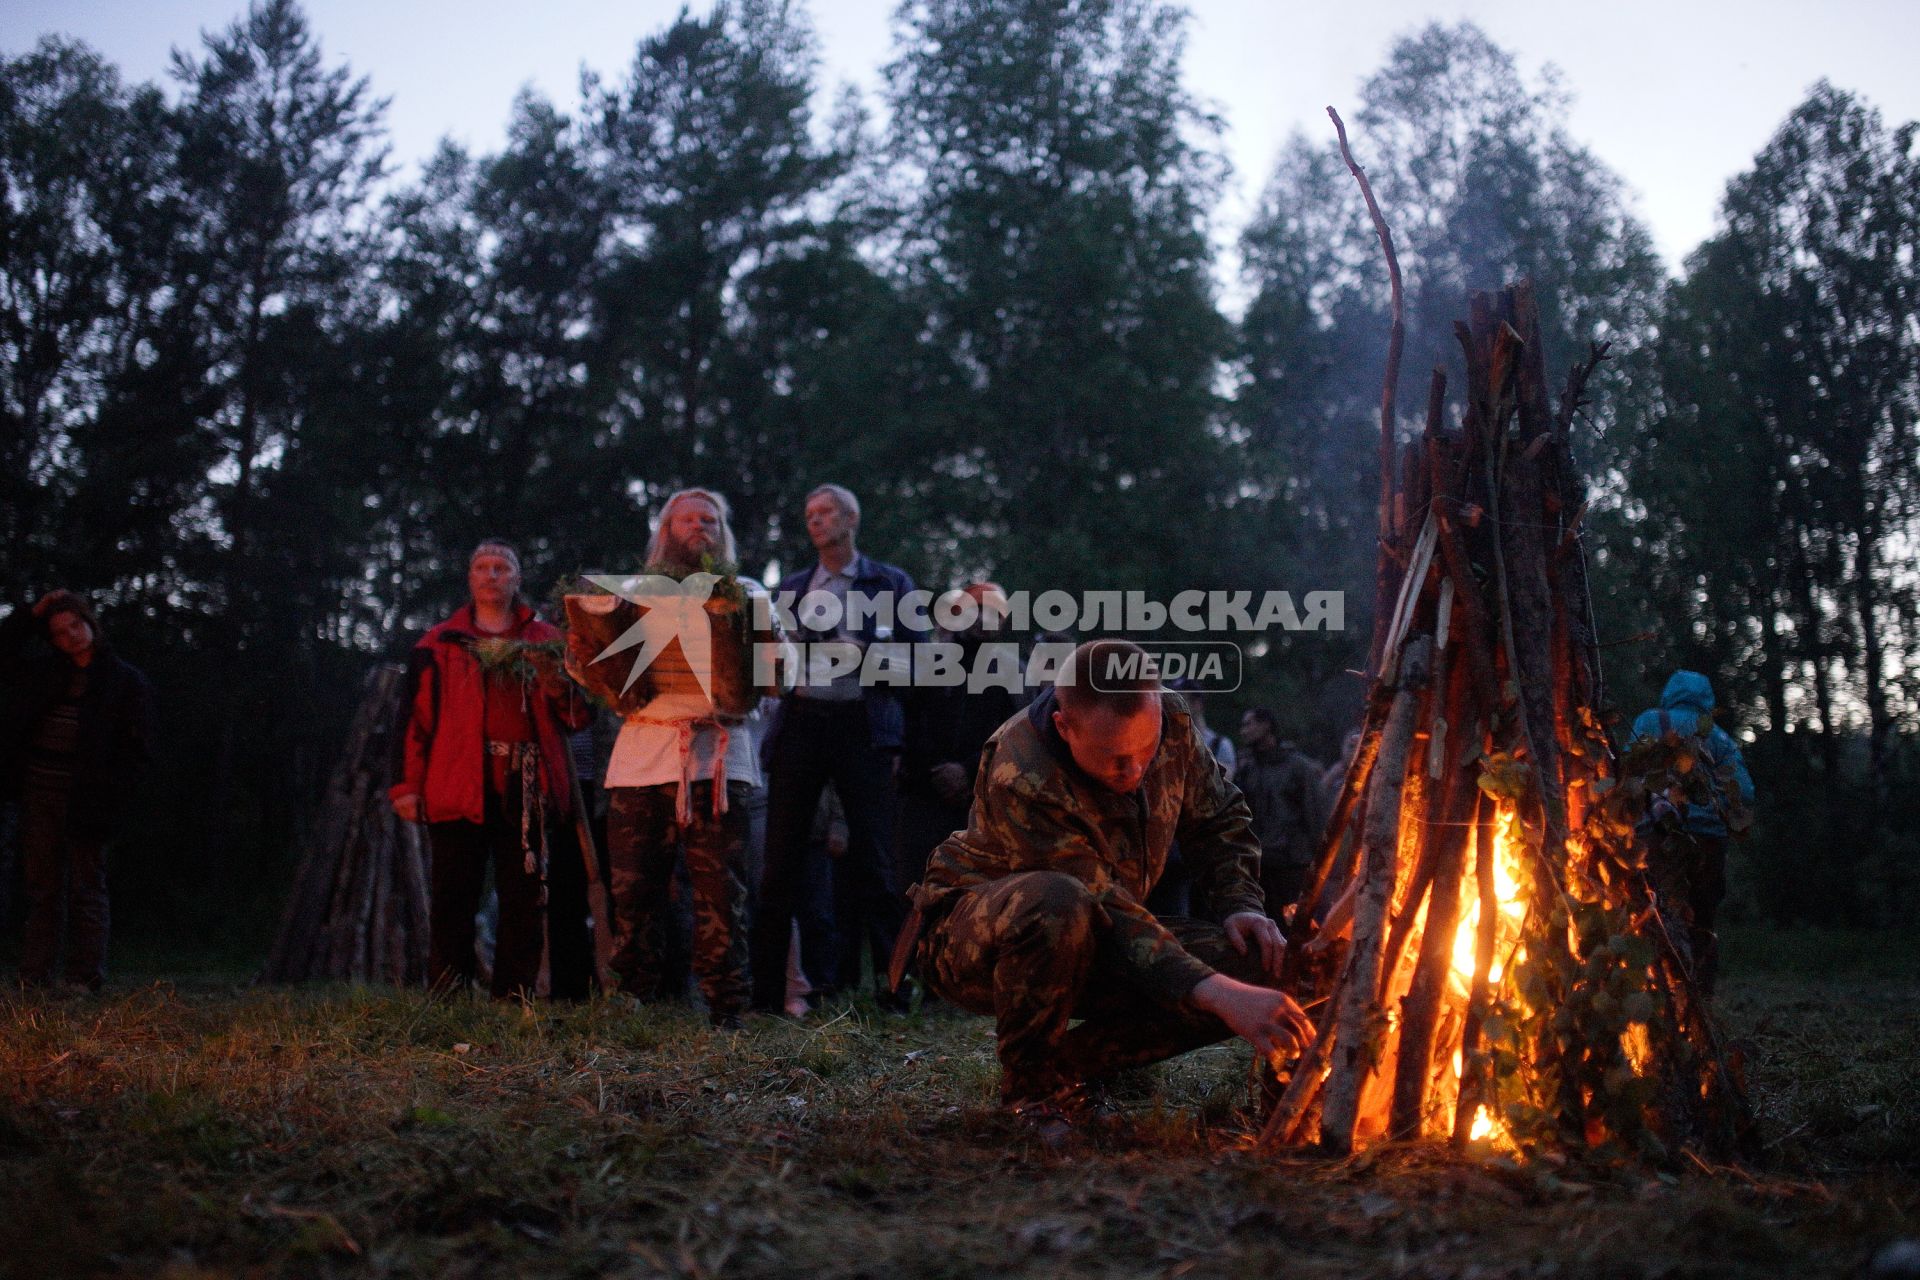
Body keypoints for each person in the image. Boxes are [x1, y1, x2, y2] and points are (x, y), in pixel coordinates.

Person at [904, 640, 1314, 1138]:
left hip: (1100, 929)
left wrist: (1240, 905)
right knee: (1058, 902)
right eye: (1114, 758)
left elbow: (1219, 817)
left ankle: (1065, 1069)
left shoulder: (1173, 720)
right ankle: (1031, 1094)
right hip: (976, 937)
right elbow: (1099, 901)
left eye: (1146, 750)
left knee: (1265, 963)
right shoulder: (1022, 770)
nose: (1135, 771)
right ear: (1064, 727)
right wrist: (1217, 992)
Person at [574, 489, 759, 1027]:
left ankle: (726, 1012)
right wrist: (582, 649)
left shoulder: (746, 592)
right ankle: (634, 1005)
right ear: (665, 531)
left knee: (722, 895)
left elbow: (776, 669)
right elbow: (598, 670)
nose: (698, 526)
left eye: (710, 519)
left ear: (722, 531)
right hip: (639, 758)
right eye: (687, 519)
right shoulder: (630, 594)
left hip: (719, 761)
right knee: (633, 892)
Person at [390, 540, 593, 999]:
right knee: (452, 897)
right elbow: (414, 721)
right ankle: (446, 998)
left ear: (517, 579)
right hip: (458, 780)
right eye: (482, 566)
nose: (492, 575)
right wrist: (406, 785)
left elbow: (580, 717)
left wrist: (551, 679)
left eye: (502, 567)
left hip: (526, 783)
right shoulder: (439, 643)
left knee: (523, 897)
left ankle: (513, 999)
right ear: (470, 578)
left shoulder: (546, 641)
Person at [750, 484, 919, 1013]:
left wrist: (862, 653)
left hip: (861, 725)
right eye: (809, 515)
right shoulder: (794, 588)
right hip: (801, 723)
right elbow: (765, 670)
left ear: (852, 518)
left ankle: (894, 990)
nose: (815, 521)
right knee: (779, 864)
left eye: (825, 512)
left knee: (875, 863)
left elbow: (922, 666)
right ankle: (767, 996)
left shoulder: (890, 583)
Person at [1, 591, 152, 991]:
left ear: (90, 623)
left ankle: (84, 977)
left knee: (87, 888)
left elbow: (135, 751)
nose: (72, 637)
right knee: (42, 889)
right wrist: (32, 614)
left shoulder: (123, 680)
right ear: (51, 640)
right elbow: (5, 654)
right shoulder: (45, 674)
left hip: (88, 800)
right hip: (39, 793)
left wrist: (113, 798)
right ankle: (35, 976)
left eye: (76, 626)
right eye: (60, 633)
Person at [1627, 671, 1755, 998]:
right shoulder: (1720, 738)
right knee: (1702, 921)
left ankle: (1658, 999)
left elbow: (1626, 771)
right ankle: (1700, 1006)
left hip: (1659, 837)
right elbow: (1744, 792)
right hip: (1709, 843)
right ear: (1707, 700)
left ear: (1669, 694)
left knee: (1656, 915)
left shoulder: (1650, 721)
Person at [897, 582, 1023, 892]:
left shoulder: (1012, 672)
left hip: (980, 804)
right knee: (916, 888)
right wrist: (939, 770)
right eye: (979, 609)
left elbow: (1012, 735)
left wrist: (966, 771)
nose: (985, 619)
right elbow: (910, 725)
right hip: (924, 798)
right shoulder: (929, 664)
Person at [1234, 707, 1331, 923]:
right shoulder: (1247, 768)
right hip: (1258, 865)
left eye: (1249, 724)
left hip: (1291, 865)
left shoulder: (1297, 767)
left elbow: (1315, 816)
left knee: (1292, 926)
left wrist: (1320, 861)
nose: (1244, 731)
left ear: (1266, 726)